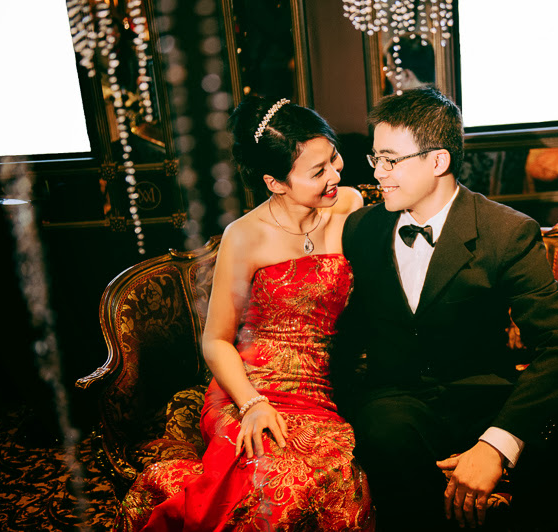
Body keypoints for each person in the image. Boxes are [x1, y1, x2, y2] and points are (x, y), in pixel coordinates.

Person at [332, 86, 558, 531]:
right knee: (383, 430)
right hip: (399, 404)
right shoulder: (361, 228)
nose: (378, 173)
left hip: (484, 397)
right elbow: (344, 334)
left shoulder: (506, 231)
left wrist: (498, 444)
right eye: (375, 159)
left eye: (390, 160)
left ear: (437, 161)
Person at [115, 96, 373, 531]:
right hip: (250, 385)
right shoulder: (244, 236)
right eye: (317, 171)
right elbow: (216, 339)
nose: (335, 174)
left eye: (333, 157)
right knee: (273, 482)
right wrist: (252, 404)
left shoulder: (349, 204)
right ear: (275, 182)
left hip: (320, 387)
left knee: (340, 481)